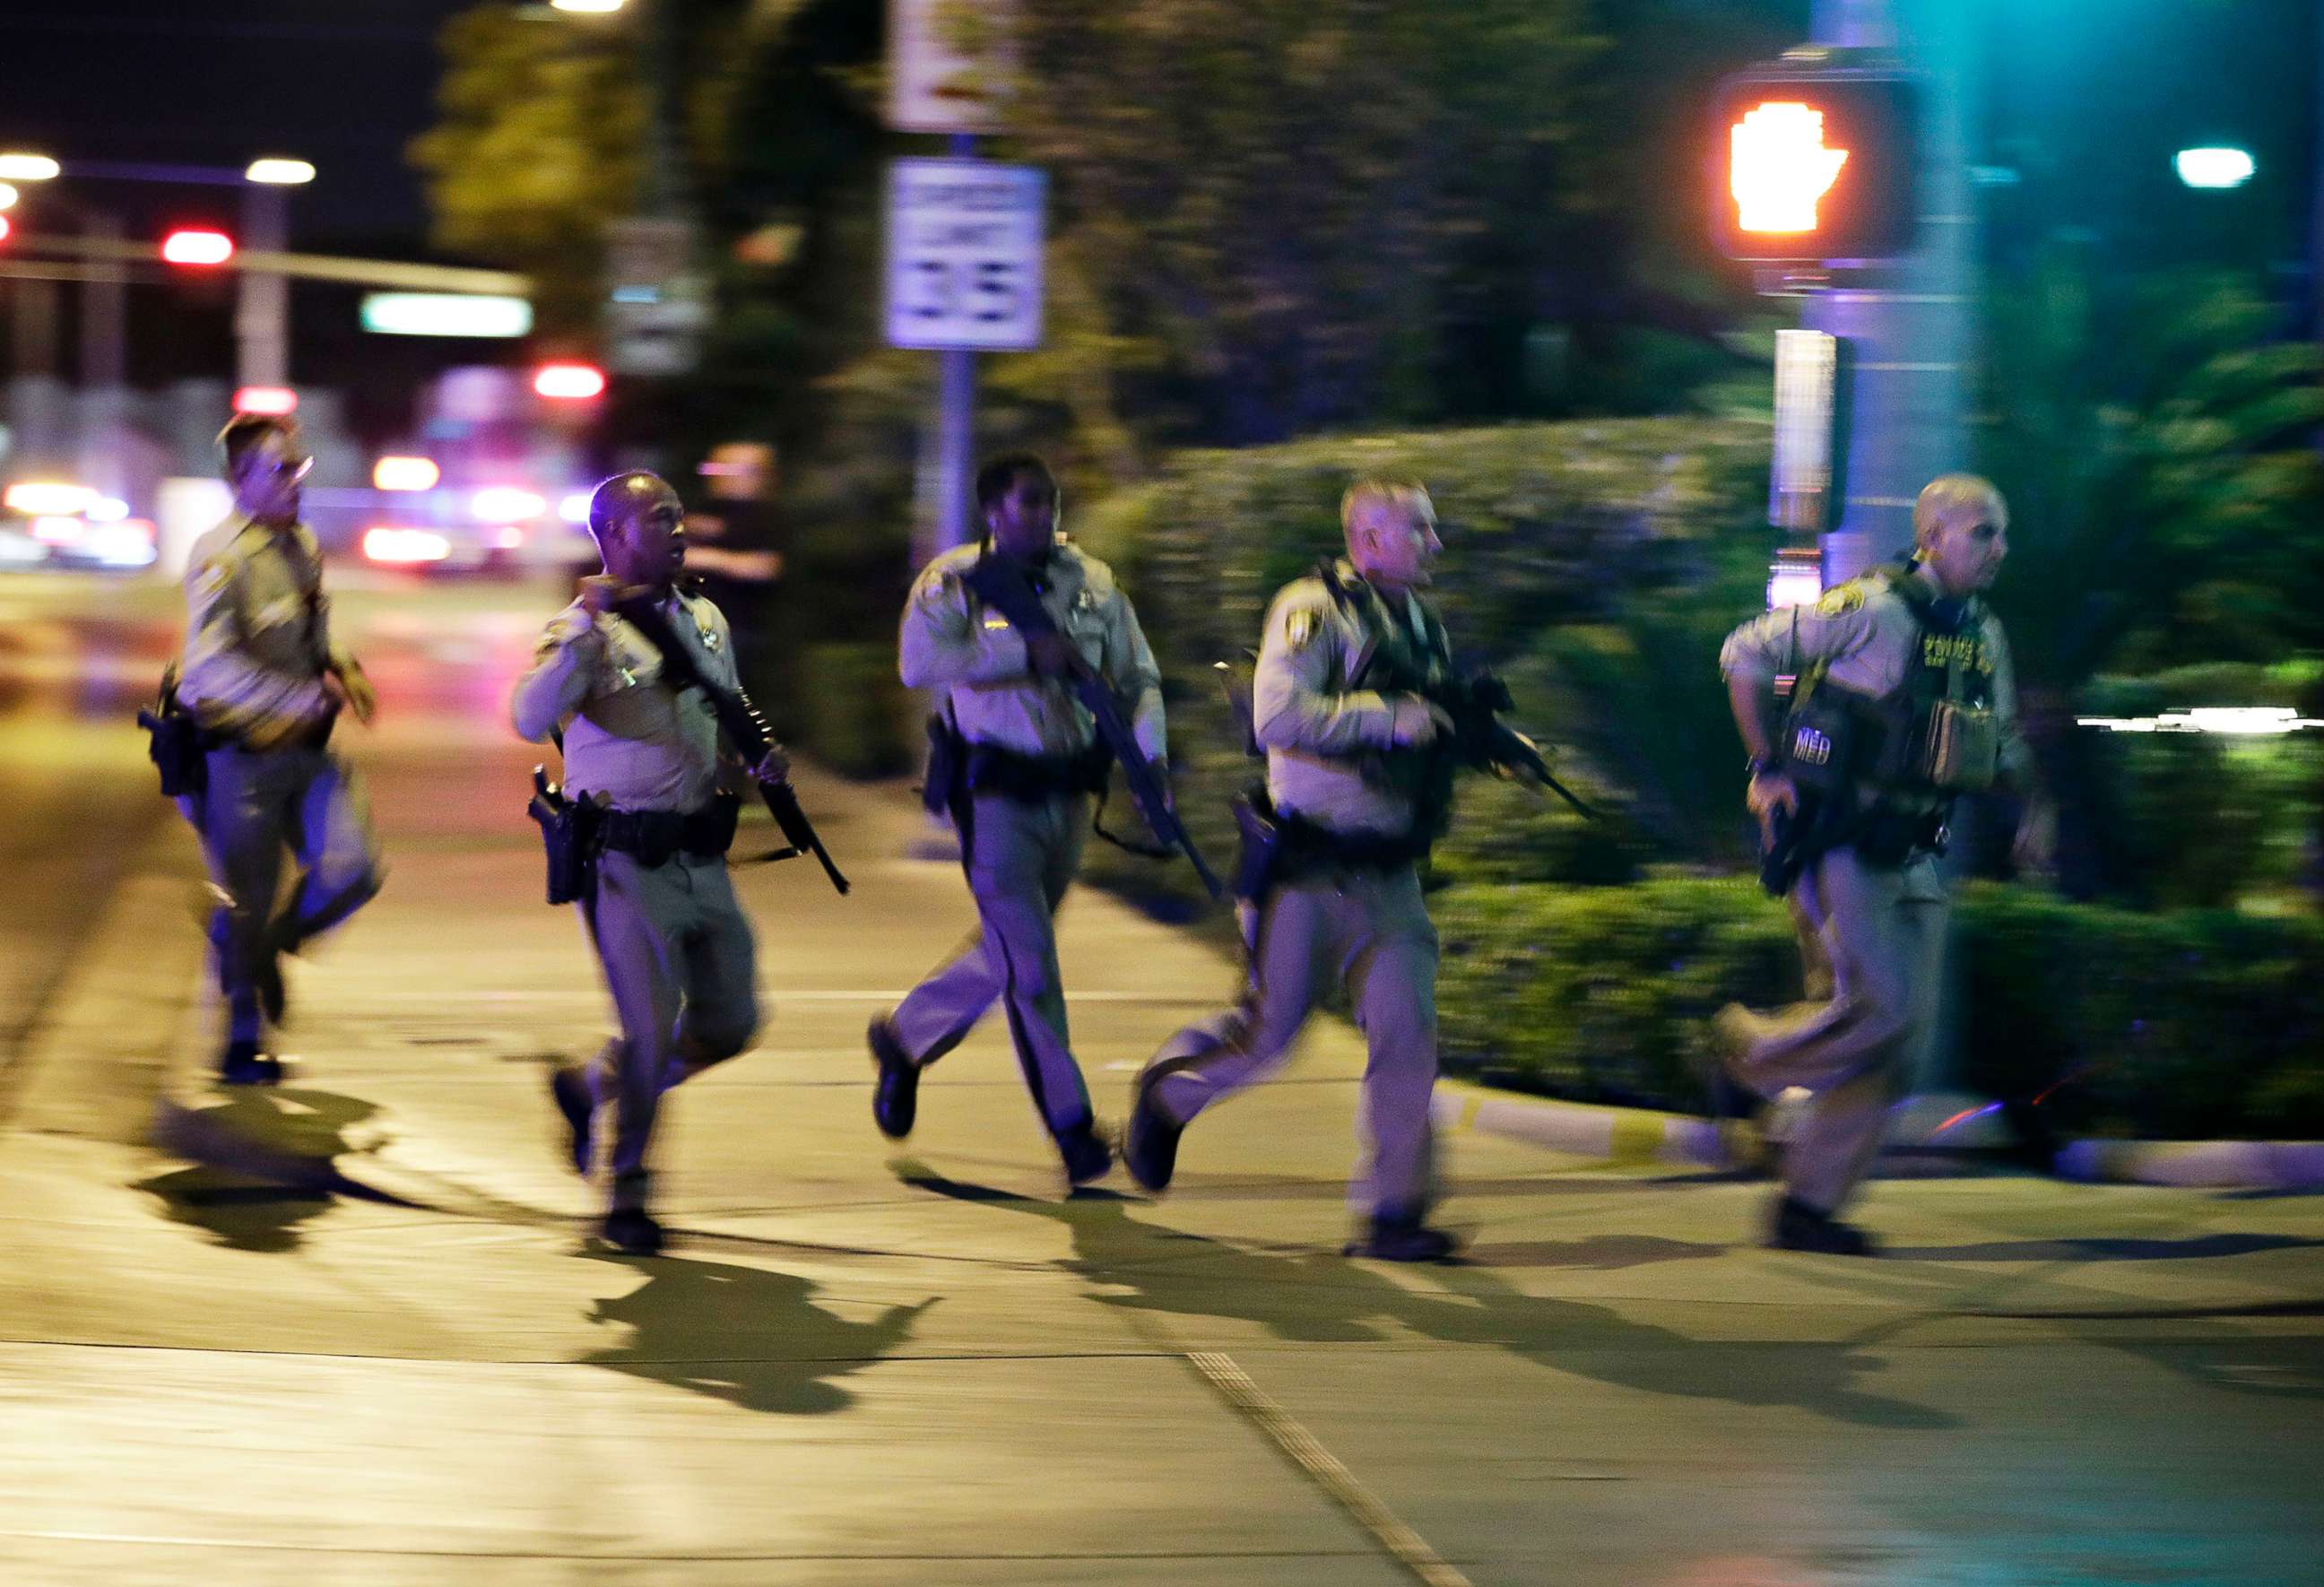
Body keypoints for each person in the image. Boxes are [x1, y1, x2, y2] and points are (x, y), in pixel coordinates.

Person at [1122, 479, 1466, 1262]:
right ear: (1369, 540)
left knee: (1408, 1034)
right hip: (1306, 870)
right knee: (1267, 1038)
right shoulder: (1310, 610)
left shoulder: (1419, 624)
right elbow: (1276, 716)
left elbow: (1428, 727)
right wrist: (1389, 719)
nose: (1434, 544)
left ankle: (1394, 1216)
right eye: (1420, 528)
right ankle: (1166, 1099)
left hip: (1388, 873)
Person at [1713, 473, 2055, 1255]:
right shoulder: (1872, 608)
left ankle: (1810, 1206)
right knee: (1884, 1010)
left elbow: (2001, 739)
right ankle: (1744, 1056)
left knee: (1905, 1043)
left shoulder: (1980, 631)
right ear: (1932, 535)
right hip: (1841, 844)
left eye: (2002, 534)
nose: (2000, 548)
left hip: (1915, 851)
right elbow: (1745, 653)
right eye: (1983, 531)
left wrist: (2037, 808)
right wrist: (1764, 766)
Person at [870, 454, 1166, 1184]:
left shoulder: (1090, 581)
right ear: (993, 512)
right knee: (1031, 967)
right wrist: (1017, 649)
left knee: (1010, 954)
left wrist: (1151, 758)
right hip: (995, 794)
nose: (1042, 515)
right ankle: (1072, 1130)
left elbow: (1139, 675)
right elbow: (916, 662)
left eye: (1050, 501)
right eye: (1028, 502)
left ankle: (907, 1038)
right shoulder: (956, 580)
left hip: (1068, 797)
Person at [510, 471, 787, 1256]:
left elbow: (727, 708)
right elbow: (529, 715)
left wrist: (757, 761)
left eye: (677, 514)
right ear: (615, 536)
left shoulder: (703, 617)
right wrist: (586, 637)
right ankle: (626, 1191)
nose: (677, 527)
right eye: (659, 518)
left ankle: (590, 1087)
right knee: (652, 1031)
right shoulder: (583, 628)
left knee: (733, 1022)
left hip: (703, 854)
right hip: (625, 862)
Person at [174, 412, 382, 1086]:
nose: (296, 480)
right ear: (240, 480)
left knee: (352, 867)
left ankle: (266, 950)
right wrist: (294, 701)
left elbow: (313, 629)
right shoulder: (219, 557)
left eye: (299, 467)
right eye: (280, 469)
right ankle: (240, 1042)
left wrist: (342, 665)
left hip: (307, 753)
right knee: (248, 896)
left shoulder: (303, 546)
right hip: (240, 758)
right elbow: (207, 672)